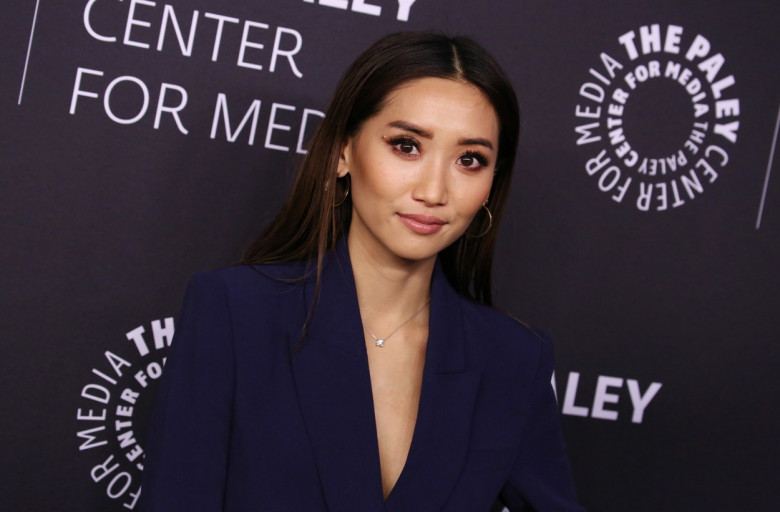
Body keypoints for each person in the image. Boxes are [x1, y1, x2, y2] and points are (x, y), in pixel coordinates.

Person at [140, 31, 585, 512]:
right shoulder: (233, 311)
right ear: (342, 152)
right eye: (407, 146)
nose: (434, 190)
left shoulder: (512, 359)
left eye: (469, 160)